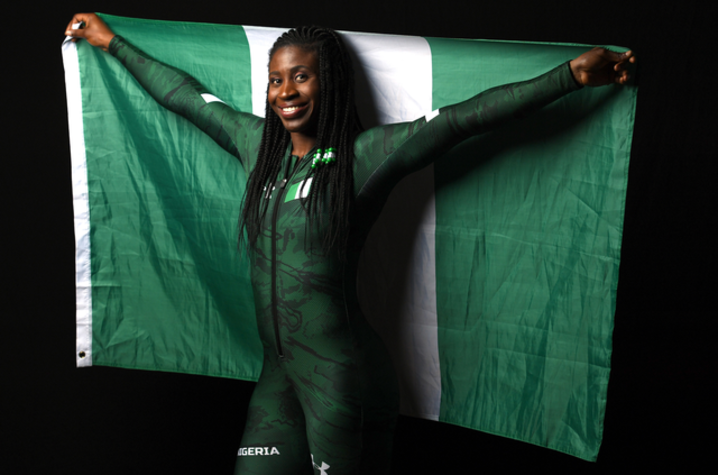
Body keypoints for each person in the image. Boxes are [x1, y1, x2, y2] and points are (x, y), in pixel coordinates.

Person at [65, 13, 635, 475]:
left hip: (342, 383)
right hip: (279, 378)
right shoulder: (254, 144)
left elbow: (461, 121)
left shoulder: (364, 157)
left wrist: (569, 78)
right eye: (276, 79)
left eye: (302, 76)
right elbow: (185, 96)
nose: (285, 92)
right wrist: (110, 40)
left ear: (330, 80)